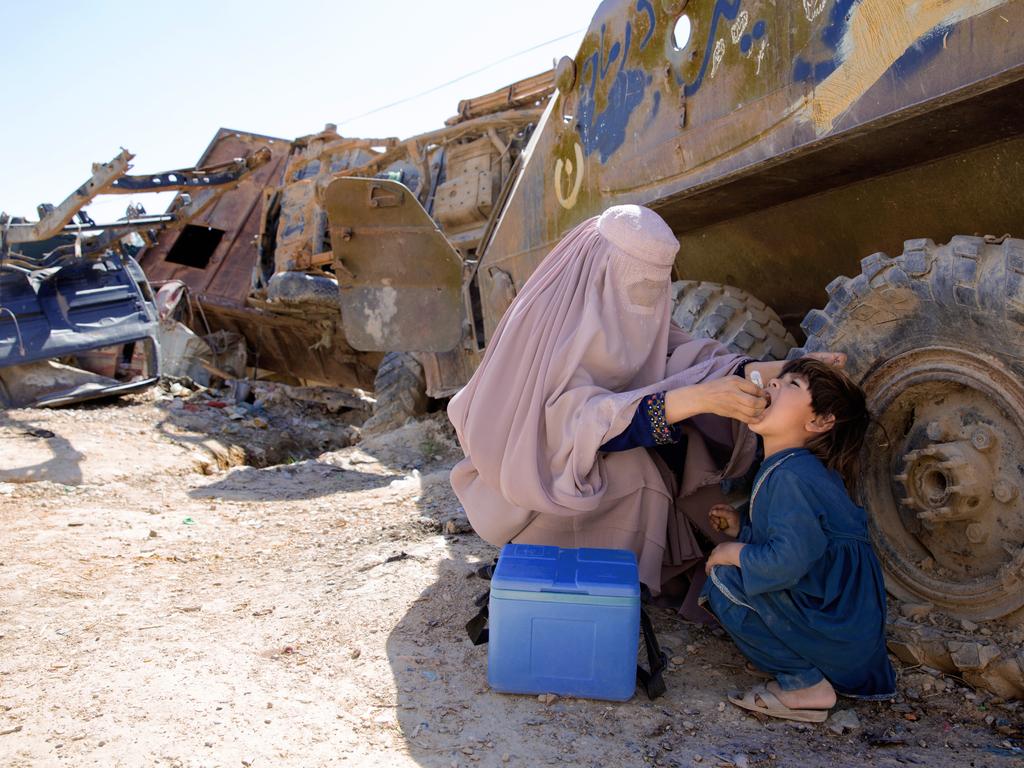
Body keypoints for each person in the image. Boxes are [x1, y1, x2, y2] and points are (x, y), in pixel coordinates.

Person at [447, 204, 839, 617]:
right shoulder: (547, 324)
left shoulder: (632, 309)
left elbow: (686, 361)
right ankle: (562, 565)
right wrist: (700, 399)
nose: (649, 299)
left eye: (658, 286)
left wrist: (784, 370)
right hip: (528, 490)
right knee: (638, 472)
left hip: (590, 460)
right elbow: (566, 430)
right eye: (640, 285)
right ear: (604, 270)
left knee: (664, 451)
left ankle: (627, 573)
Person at [700, 357, 897, 723]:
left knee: (723, 582)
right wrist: (741, 529)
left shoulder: (791, 476)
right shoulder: (796, 469)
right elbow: (804, 553)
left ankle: (804, 684)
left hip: (840, 638)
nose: (773, 384)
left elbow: (786, 563)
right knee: (736, 571)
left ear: (819, 422)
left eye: (791, 385)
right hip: (846, 638)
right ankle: (799, 659)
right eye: (779, 380)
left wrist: (733, 550)